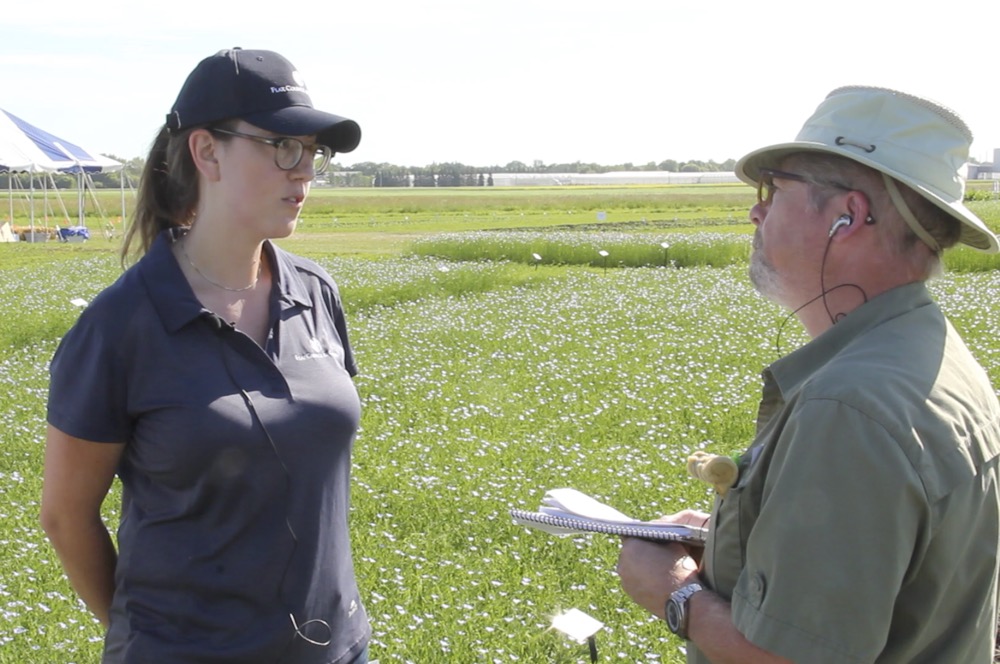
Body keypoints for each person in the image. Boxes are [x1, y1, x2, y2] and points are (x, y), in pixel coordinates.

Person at [617, 85, 1000, 663]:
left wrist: (673, 591)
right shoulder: (929, 353)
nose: (756, 210)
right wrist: (728, 541)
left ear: (847, 216)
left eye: (773, 189)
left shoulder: (848, 407)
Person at [39, 47, 370, 664]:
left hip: (335, 650)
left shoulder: (316, 292)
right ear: (207, 151)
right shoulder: (120, 326)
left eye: (312, 153)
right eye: (282, 146)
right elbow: (65, 515)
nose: (303, 172)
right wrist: (157, 640)